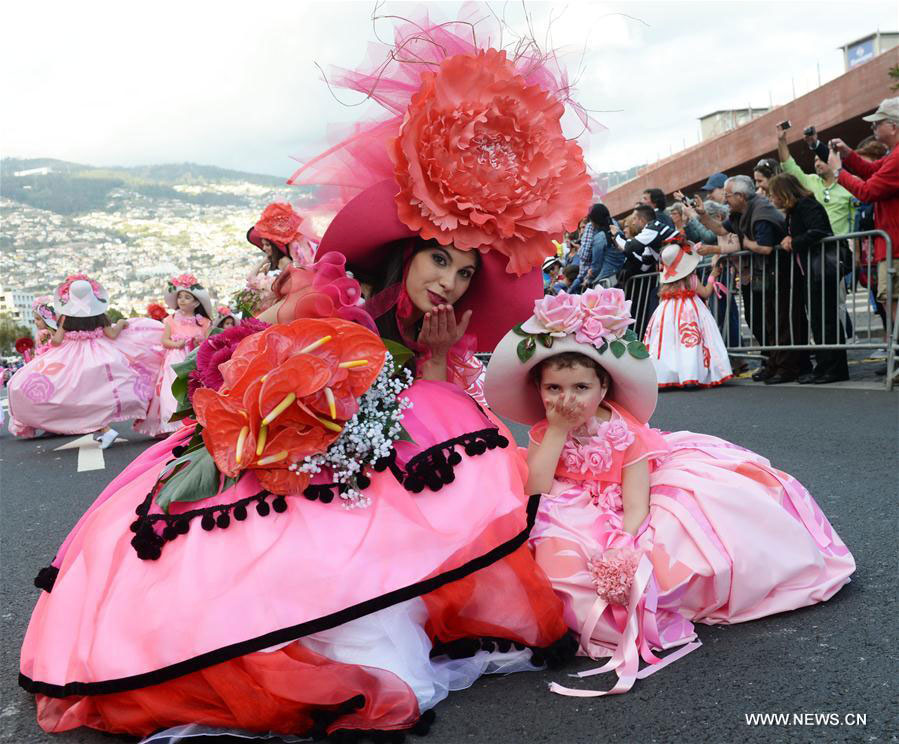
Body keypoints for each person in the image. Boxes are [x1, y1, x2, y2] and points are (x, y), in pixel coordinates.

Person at [19, 14, 593, 740]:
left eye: (462, 270)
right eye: (439, 259)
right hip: (294, 463)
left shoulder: (428, 332)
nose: (448, 280)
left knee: (445, 425)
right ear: (403, 254)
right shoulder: (331, 296)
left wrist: (437, 359)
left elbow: (434, 425)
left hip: (354, 471)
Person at [484, 288, 855, 696]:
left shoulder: (625, 433)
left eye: (580, 388)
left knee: (691, 539)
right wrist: (555, 431)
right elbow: (535, 489)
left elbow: (637, 502)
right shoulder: (547, 428)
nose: (566, 399)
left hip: (624, 498)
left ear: (603, 389)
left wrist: (623, 548)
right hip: (567, 497)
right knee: (551, 553)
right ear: (539, 389)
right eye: (553, 388)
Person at [7, 276, 148, 446]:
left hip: (71, 357)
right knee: (98, 394)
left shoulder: (66, 318)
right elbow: (111, 334)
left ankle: (103, 429)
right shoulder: (100, 316)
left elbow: (56, 342)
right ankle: (105, 428)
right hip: (101, 355)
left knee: (74, 395)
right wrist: (120, 324)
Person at [695, 176, 808, 384]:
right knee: (762, 320)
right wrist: (702, 216)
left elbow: (764, 247)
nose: (725, 200)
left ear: (741, 196)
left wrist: (747, 243)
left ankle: (788, 367)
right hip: (760, 274)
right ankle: (772, 363)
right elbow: (721, 229)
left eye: (728, 196)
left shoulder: (761, 211)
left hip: (778, 272)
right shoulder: (739, 213)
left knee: (781, 321)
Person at [829, 96, 899, 375]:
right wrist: (848, 155)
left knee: (891, 302)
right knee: (889, 301)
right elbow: (871, 172)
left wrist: (837, 170)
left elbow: (868, 190)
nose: (873, 129)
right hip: (890, 244)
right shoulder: (891, 156)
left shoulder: (896, 158)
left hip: (895, 246)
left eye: (877, 124)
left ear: (893, 126)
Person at [767, 173, 849, 383]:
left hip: (821, 270)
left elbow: (819, 231)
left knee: (826, 320)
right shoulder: (794, 210)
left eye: (773, 194)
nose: (771, 199)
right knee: (819, 321)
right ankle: (824, 366)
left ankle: (835, 368)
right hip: (809, 272)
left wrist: (794, 242)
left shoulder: (806, 205)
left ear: (783, 193)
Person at [643, 242, 733, 387]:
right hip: (690, 310)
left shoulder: (666, 284)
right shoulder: (691, 278)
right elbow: (705, 292)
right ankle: (691, 373)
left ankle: (666, 375)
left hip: (667, 311)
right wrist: (712, 276)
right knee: (690, 342)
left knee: (669, 343)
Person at [133, 274, 212, 437]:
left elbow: (208, 341)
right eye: (180, 297)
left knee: (194, 389)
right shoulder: (170, 319)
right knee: (171, 390)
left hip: (195, 357)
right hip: (175, 357)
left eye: (187, 297)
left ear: (196, 302)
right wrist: (177, 344)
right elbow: (165, 341)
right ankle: (173, 423)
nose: (182, 300)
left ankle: (194, 421)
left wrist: (199, 343)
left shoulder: (204, 322)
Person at [611, 204, 678, 337]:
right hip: (675, 274)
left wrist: (617, 234)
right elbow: (644, 265)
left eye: (634, 219)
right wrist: (624, 250)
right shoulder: (650, 234)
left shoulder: (653, 228)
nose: (633, 222)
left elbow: (630, 246)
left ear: (641, 220)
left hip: (683, 270)